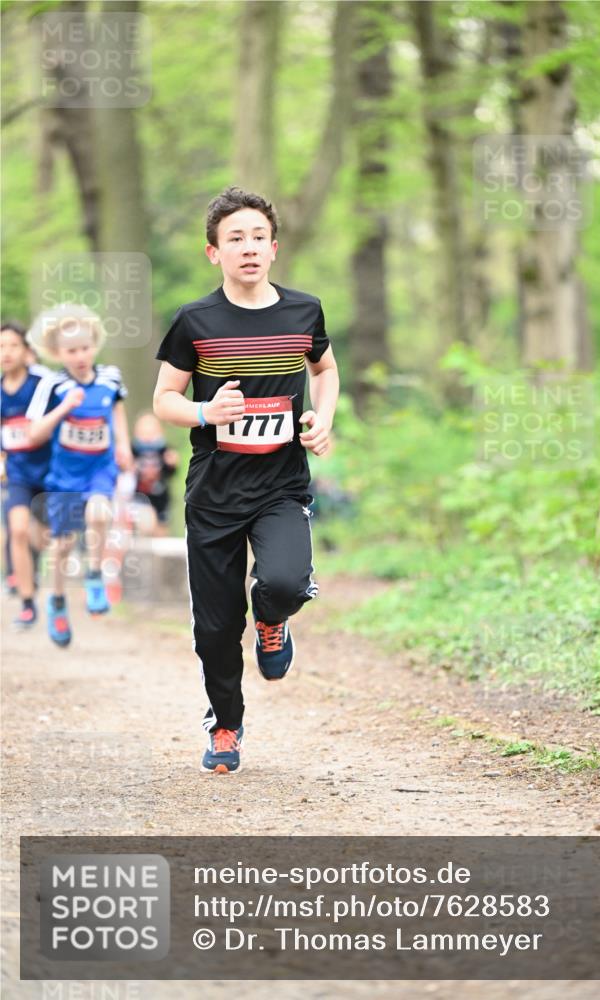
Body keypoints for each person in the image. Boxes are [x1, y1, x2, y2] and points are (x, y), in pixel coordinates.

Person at [153, 185, 339, 775]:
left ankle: (273, 620)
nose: (249, 248)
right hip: (214, 489)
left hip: (281, 482)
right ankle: (226, 725)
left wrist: (322, 417)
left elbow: (325, 369)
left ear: (275, 247)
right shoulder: (195, 320)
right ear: (214, 253)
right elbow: (164, 399)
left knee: (284, 580)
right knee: (214, 624)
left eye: (258, 237)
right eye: (235, 239)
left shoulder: (303, 311)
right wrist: (209, 412)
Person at [26, 303, 132, 647]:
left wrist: (124, 446)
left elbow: (116, 411)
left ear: (95, 345)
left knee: (100, 513)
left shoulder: (110, 377)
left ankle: (94, 574)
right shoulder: (52, 385)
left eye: (85, 347)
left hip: (100, 468)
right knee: (62, 545)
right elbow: (34, 433)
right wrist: (64, 408)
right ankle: (57, 602)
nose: (80, 355)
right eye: (72, 350)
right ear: (57, 352)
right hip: (65, 477)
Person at [0, 320, 57, 628]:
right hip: (19, 474)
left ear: (25, 351)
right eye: (0, 347)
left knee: (44, 538)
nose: (6, 353)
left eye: (12, 346)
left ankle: (36, 574)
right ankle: (26, 602)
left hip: (51, 473)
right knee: (17, 530)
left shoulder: (42, 382)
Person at [131, 411, 179, 536]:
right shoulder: (134, 450)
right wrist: (129, 466)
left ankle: (159, 554)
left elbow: (170, 473)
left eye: (152, 432)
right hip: (140, 496)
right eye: (144, 432)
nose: (148, 436)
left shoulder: (164, 450)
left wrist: (172, 464)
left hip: (160, 497)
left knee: (161, 529)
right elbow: (126, 472)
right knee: (145, 523)